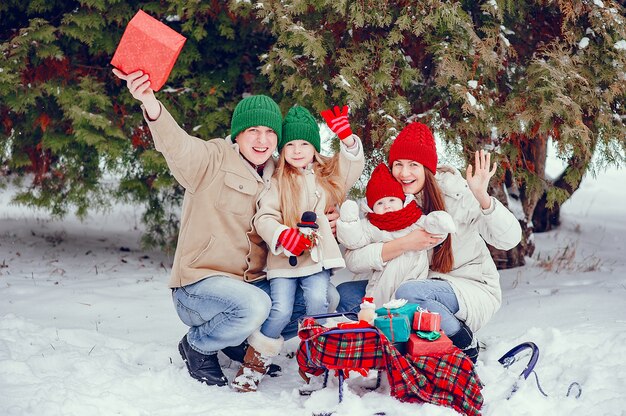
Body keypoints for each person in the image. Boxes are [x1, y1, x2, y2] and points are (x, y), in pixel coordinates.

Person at [112, 69, 339, 387]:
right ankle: (198, 346)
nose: (262, 140)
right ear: (238, 134)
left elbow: (313, 202)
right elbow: (176, 145)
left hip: (251, 284)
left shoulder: (280, 175)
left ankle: (238, 343)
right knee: (256, 305)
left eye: (270, 133)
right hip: (199, 287)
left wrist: (330, 220)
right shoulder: (211, 159)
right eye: (253, 131)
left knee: (323, 296)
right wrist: (149, 101)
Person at [336, 122, 522, 362]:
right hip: (414, 284)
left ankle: (464, 343)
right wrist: (405, 244)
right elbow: (353, 257)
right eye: (398, 165)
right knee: (346, 295)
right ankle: (391, 350)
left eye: (413, 165)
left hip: (467, 287)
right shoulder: (388, 202)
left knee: (408, 293)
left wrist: (483, 198)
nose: (404, 173)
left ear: (427, 168)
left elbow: (509, 239)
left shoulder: (456, 196)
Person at [231, 105, 365, 392]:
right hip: (284, 260)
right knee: (280, 310)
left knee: (318, 302)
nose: (297, 150)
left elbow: (352, 166)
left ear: (314, 147)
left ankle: (316, 362)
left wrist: (348, 140)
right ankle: (253, 366)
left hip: (316, 259)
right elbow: (264, 217)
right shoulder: (277, 180)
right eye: (290, 144)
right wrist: (282, 235)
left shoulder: (327, 177)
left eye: (304, 143)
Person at [336, 163, 456, 305]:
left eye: (392, 200)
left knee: (409, 307)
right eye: (380, 203)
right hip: (381, 287)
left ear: (402, 200)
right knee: (378, 313)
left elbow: (435, 233)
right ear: (371, 207)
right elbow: (354, 241)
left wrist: (439, 223)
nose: (387, 206)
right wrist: (348, 224)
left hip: (413, 282)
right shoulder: (372, 225)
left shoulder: (415, 219)